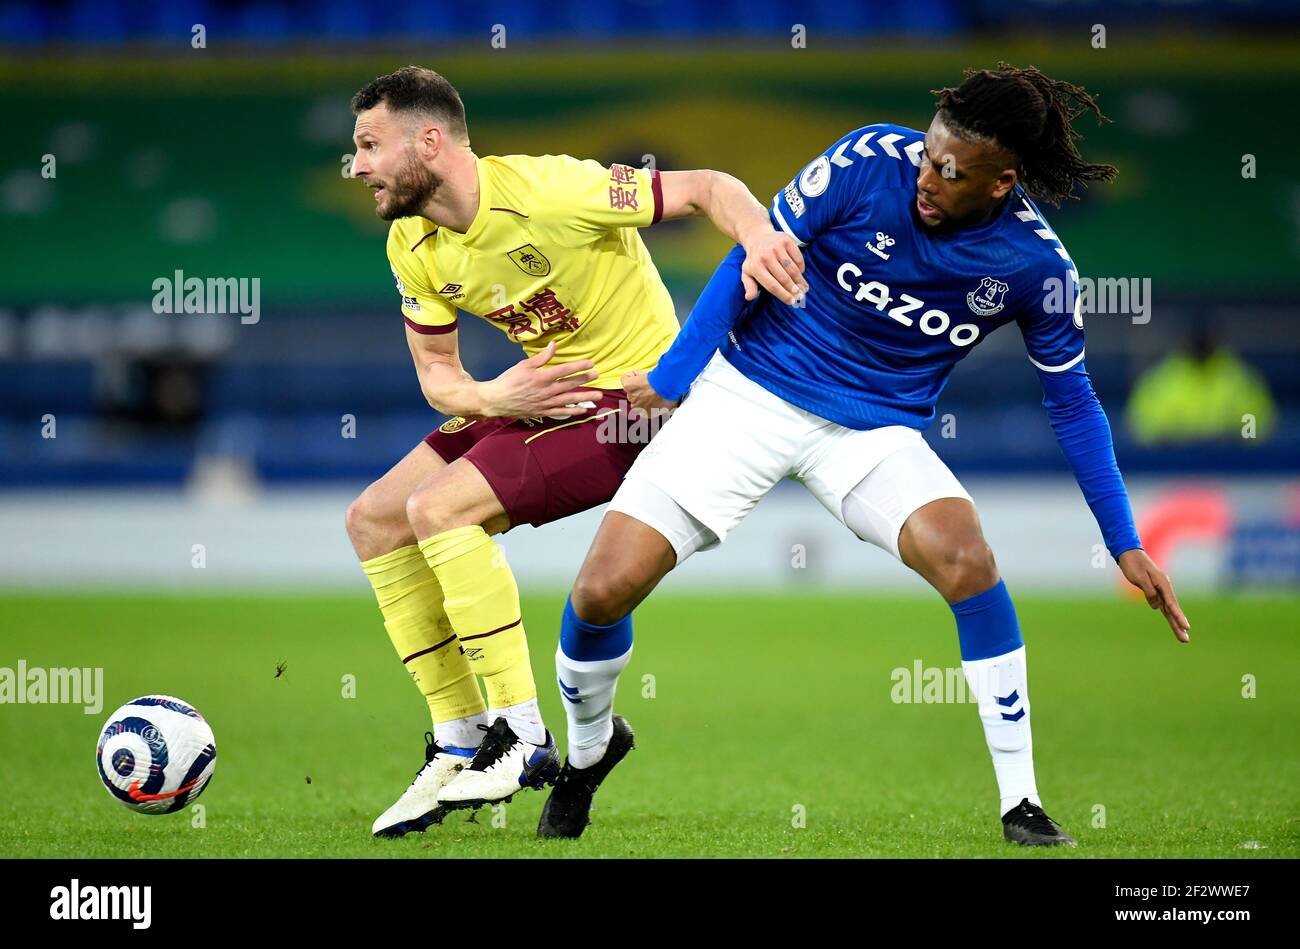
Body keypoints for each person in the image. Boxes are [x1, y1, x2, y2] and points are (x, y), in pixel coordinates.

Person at [539, 63, 1190, 847]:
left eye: (950, 172)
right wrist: (677, 376)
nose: (927, 177)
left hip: (873, 431)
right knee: (602, 590)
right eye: (928, 156)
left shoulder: (1036, 267)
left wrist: (1124, 541)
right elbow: (750, 259)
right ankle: (587, 754)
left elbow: (1073, 400)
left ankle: (1022, 802)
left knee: (966, 557)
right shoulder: (864, 162)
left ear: (1000, 181)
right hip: (749, 390)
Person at [345, 66, 804, 836]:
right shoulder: (411, 243)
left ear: (429, 140)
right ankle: (458, 738)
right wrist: (497, 397)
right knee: (375, 520)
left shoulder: (551, 190)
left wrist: (759, 238)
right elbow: (439, 377)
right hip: (539, 399)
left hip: (636, 406)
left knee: (440, 509)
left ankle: (521, 733)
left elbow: (707, 187)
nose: (356, 166)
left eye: (367, 145)